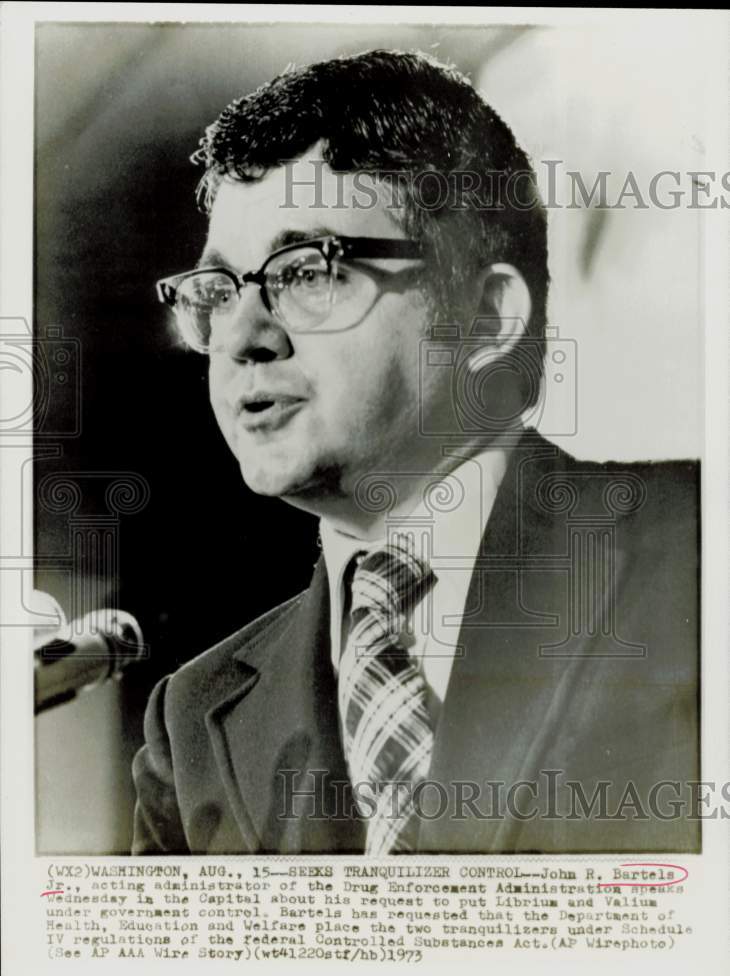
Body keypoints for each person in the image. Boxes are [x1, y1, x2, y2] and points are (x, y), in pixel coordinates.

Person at [132, 49, 699, 855]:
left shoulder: (696, 551)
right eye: (218, 293)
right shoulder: (191, 725)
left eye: (306, 272)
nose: (242, 339)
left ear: (487, 316)